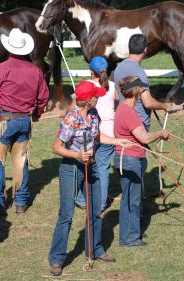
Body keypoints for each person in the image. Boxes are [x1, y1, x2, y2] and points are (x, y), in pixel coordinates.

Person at [48, 81, 132, 277]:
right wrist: (77, 156)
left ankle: (94, 249)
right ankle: (56, 258)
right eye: (96, 95)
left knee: (95, 210)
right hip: (72, 168)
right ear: (88, 100)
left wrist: (117, 140)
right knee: (66, 215)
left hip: (90, 166)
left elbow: (97, 137)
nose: (99, 97)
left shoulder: (93, 114)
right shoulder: (71, 120)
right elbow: (56, 147)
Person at [0, 28, 49, 215]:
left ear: (9, 48)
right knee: (21, 160)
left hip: (5, 121)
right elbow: (44, 97)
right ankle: (20, 203)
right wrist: (37, 114)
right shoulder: (35, 71)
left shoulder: (1, 69)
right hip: (24, 121)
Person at [113, 76, 170, 248]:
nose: (144, 92)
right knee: (132, 200)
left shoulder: (122, 108)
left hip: (128, 159)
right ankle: (129, 238)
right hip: (130, 160)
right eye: (142, 90)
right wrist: (160, 134)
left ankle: (132, 231)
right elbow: (144, 137)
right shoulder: (128, 113)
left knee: (131, 198)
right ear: (136, 92)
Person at [75, 56, 116, 212]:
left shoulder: (86, 86)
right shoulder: (112, 85)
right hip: (109, 131)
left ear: (91, 71)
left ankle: (82, 199)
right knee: (103, 168)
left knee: (86, 164)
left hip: (91, 132)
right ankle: (100, 203)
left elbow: (77, 105)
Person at [113, 33, 178, 131]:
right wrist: (165, 106)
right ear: (145, 50)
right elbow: (148, 103)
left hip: (123, 122)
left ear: (129, 48)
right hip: (138, 125)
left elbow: (117, 97)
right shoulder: (139, 73)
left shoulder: (118, 68)